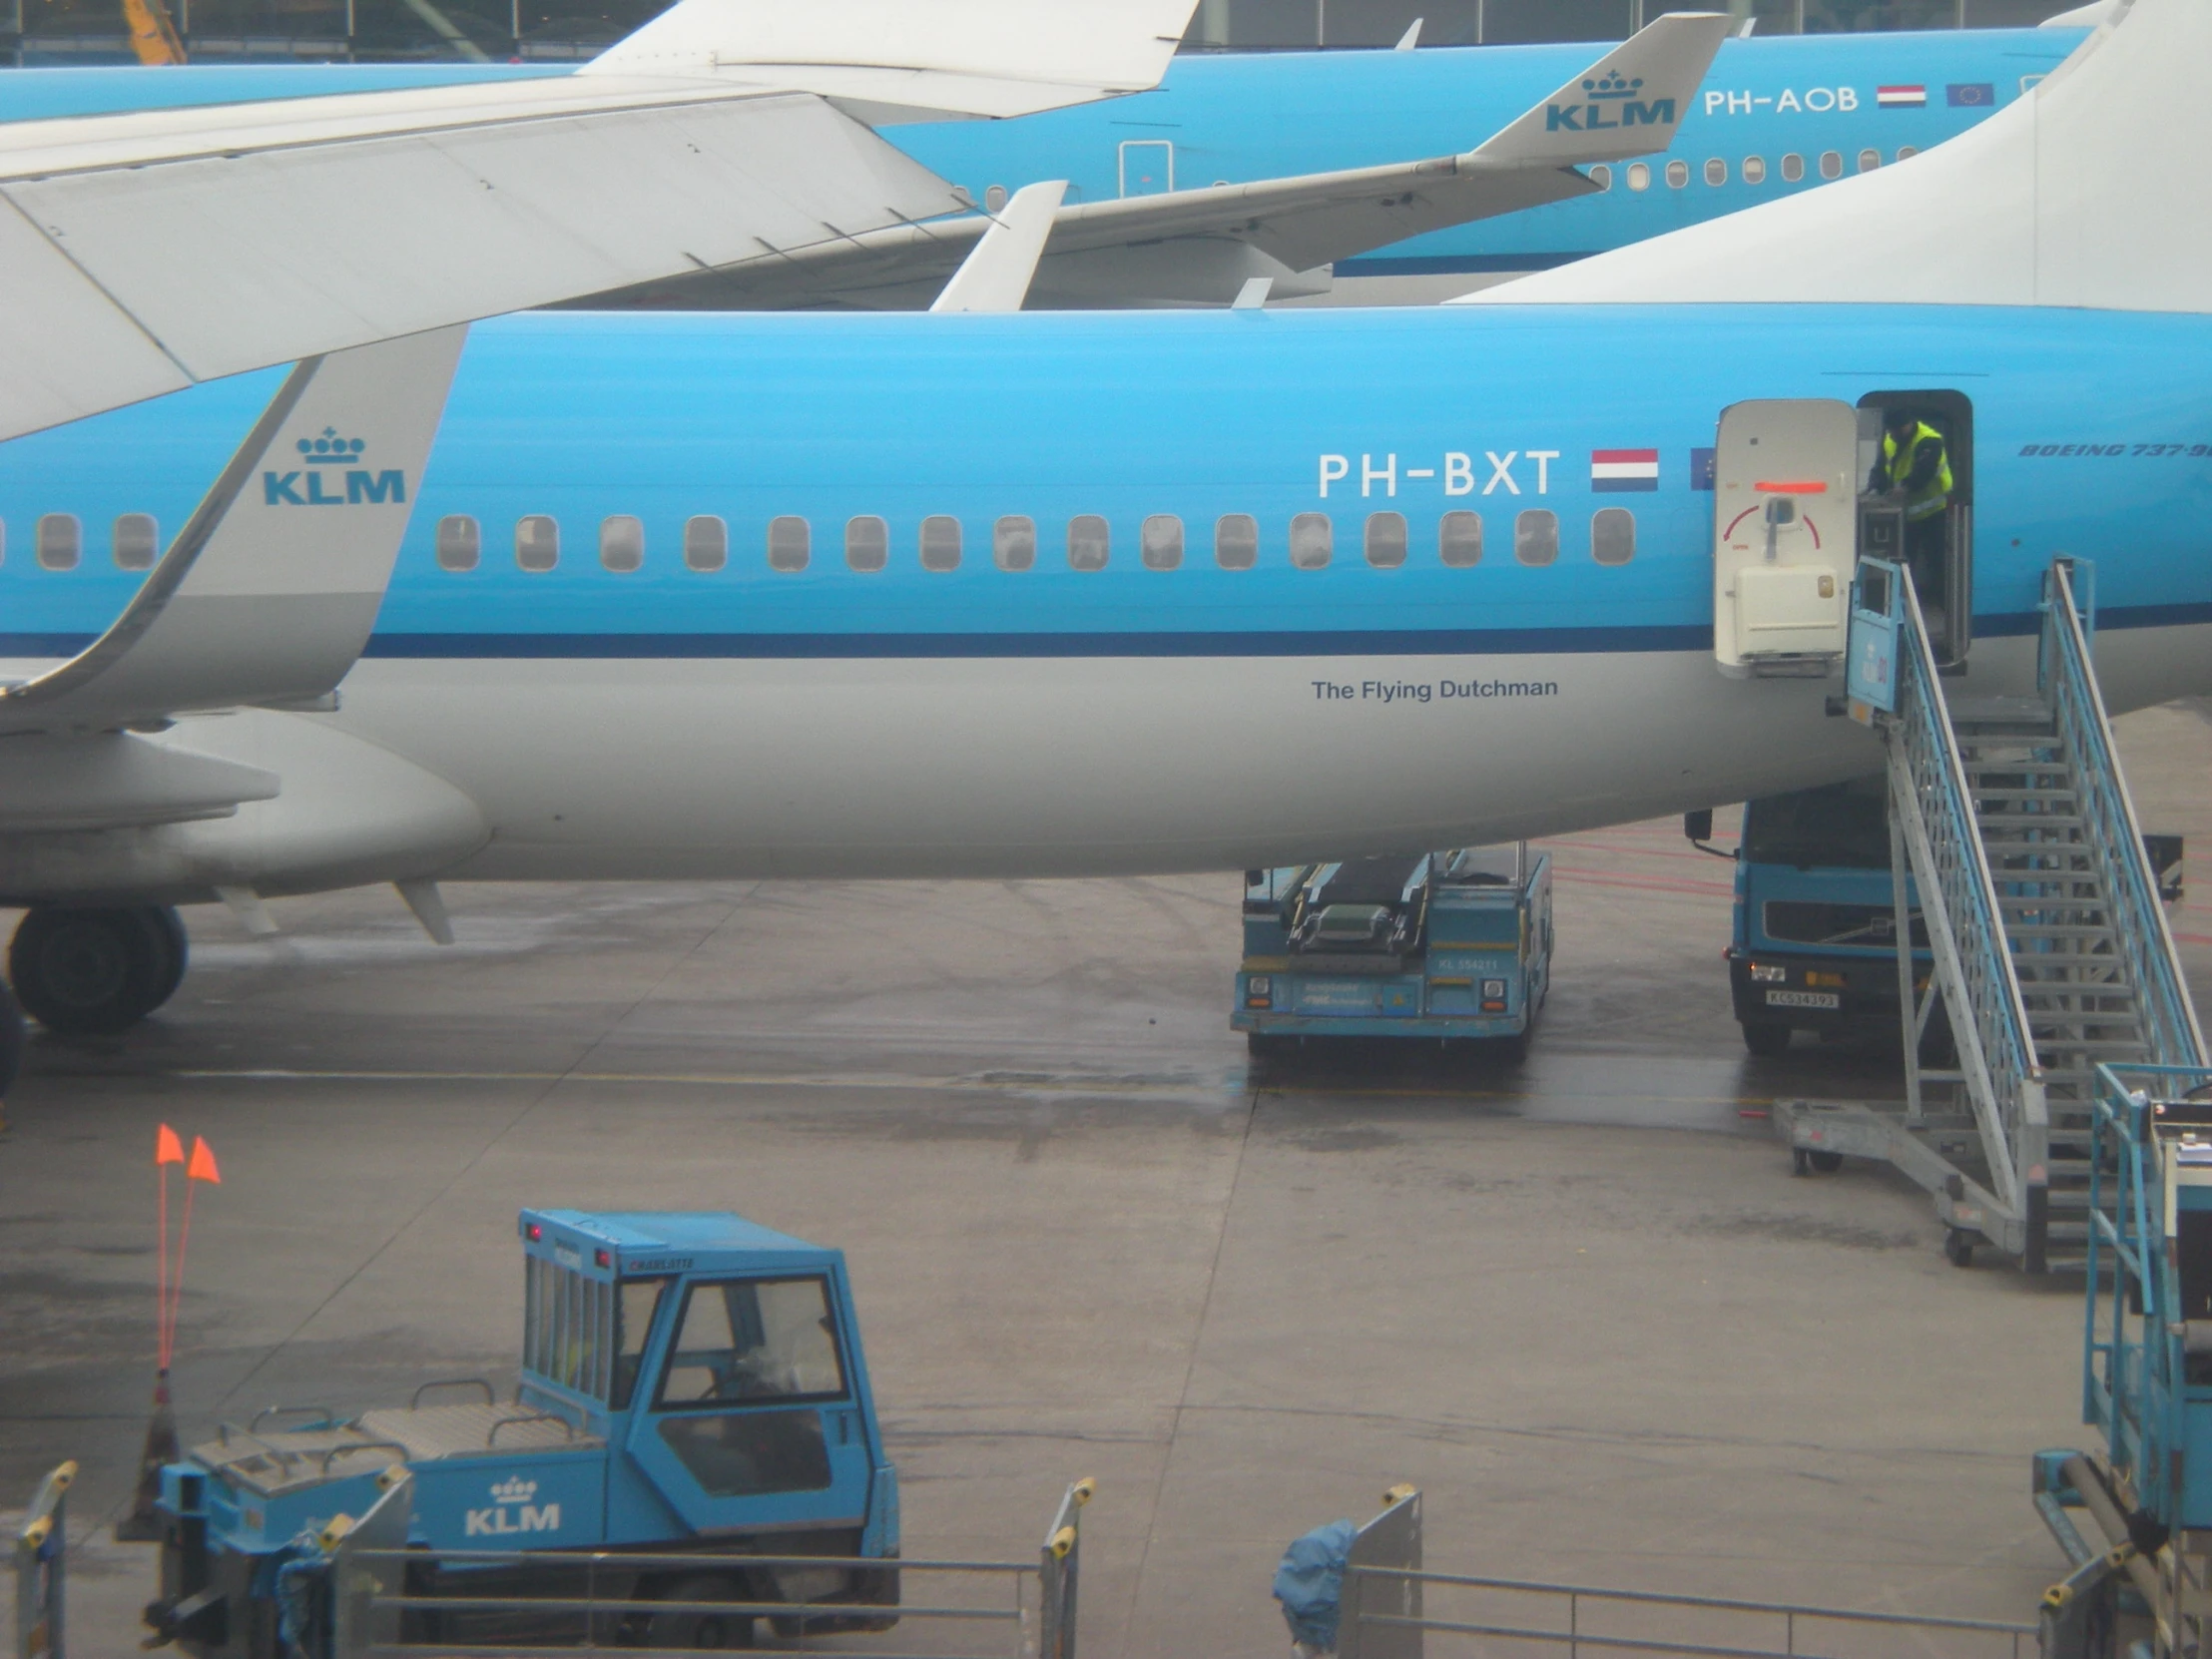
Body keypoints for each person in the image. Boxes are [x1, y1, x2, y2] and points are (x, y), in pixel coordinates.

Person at [1870, 408, 1953, 600]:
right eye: (1891, 431)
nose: (1894, 434)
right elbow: (1880, 466)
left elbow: (1924, 472)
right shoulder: (1890, 439)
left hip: (1934, 512)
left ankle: (1940, 600)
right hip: (1906, 514)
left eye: (1899, 430)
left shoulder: (1929, 440)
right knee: (1904, 559)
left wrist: (1904, 487)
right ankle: (1902, 602)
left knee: (1937, 560)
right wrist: (1874, 486)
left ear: (1909, 424)